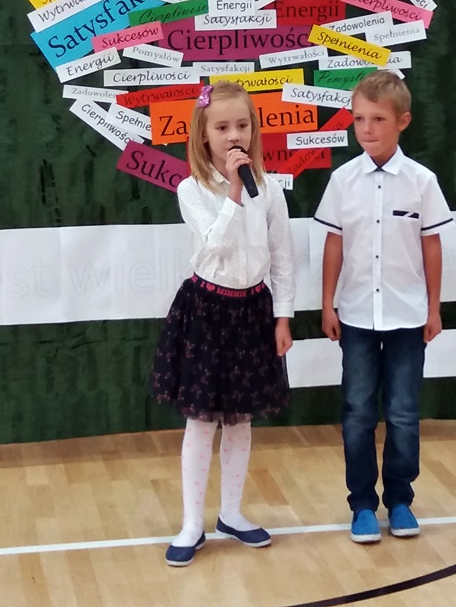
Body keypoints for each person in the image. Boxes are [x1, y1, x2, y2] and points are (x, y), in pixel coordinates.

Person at [152, 80, 295, 566]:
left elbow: (282, 258)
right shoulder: (191, 190)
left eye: (242, 125)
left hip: (253, 311)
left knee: (241, 419)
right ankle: (192, 522)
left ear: (254, 130)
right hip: (207, 311)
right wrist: (234, 191)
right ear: (203, 135)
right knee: (202, 420)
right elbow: (214, 246)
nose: (234, 136)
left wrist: (282, 317)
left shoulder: (269, 190)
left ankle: (231, 512)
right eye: (222, 127)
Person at [315, 71, 453, 544]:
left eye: (377, 119)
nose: (367, 129)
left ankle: (399, 500)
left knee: (403, 413)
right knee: (357, 412)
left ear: (403, 121)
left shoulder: (422, 181)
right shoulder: (342, 180)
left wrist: (433, 308)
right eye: (359, 119)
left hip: (408, 317)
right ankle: (361, 505)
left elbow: (431, 245)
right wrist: (327, 304)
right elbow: (334, 243)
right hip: (354, 315)